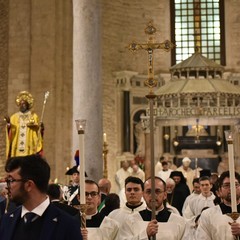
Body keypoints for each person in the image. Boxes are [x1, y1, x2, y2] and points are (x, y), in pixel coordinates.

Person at [0, 154, 82, 240]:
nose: (7, 186)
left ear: (29, 185)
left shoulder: (67, 225)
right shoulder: (7, 221)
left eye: (11, 180)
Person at [118, 176, 186, 240]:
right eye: (148, 191)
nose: (153, 195)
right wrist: (145, 234)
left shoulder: (179, 222)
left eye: (157, 191)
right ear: (143, 195)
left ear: (165, 195)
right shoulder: (130, 221)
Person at [196, 171, 240, 239]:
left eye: (235, 185)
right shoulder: (208, 215)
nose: (232, 188)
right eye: (226, 185)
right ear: (219, 192)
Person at [5, 91, 43, 158]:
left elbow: (38, 130)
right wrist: (8, 124)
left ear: (28, 105)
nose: (22, 106)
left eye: (24, 104)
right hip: (16, 146)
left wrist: (41, 127)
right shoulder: (14, 117)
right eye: (21, 104)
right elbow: (11, 131)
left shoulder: (33, 116)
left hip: (29, 145)